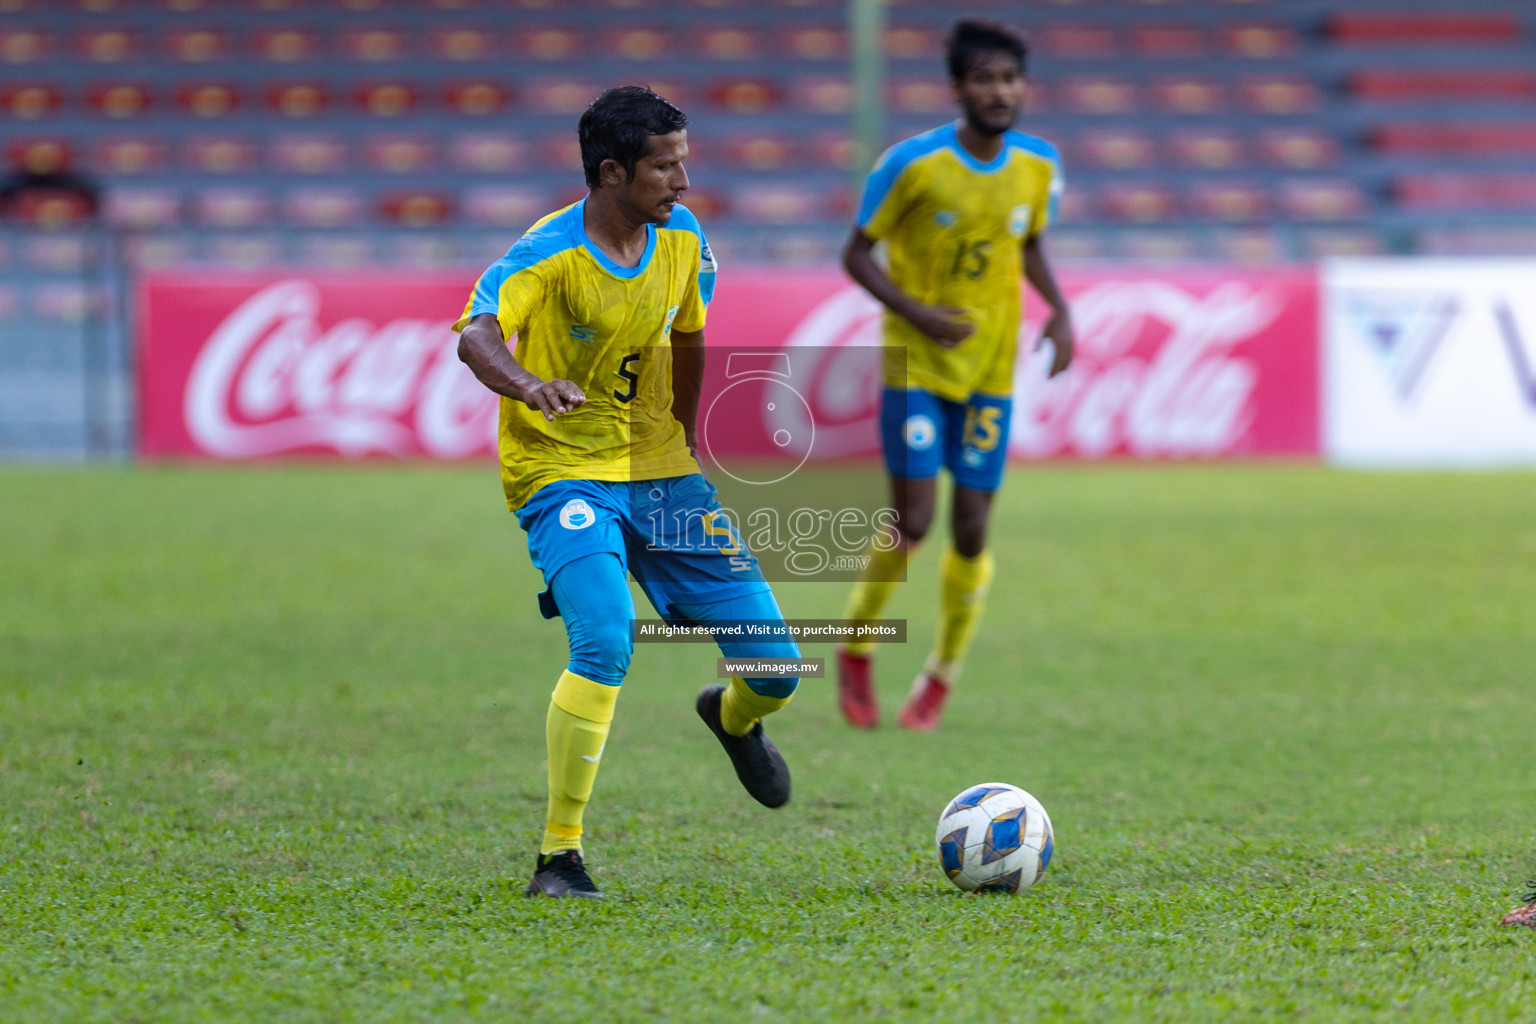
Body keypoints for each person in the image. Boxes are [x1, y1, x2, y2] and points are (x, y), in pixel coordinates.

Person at [454, 86, 800, 899]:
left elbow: (689, 338)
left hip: (662, 471)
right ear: (612, 173)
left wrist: (683, 438)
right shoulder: (547, 254)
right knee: (605, 639)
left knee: (779, 669)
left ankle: (732, 716)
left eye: (684, 162)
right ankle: (559, 857)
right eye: (664, 167)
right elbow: (476, 334)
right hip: (562, 470)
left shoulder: (682, 237)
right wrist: (530, 384)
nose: (683, 182)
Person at [834, 18, 1074, 731]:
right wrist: (919, 313)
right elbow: (854, 254)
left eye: (1010, 79)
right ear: (958, 87)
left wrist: (1060, 311)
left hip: (991, 372)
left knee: (971, 531)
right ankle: (856, 648)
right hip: (915, 363)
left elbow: (1026, 243)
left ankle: (939, 677)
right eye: (985, 79)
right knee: (913, 521)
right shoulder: (912, 165)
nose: (999, 92)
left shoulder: (1039, 167)